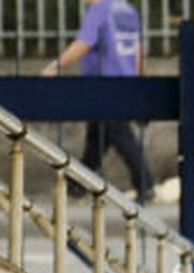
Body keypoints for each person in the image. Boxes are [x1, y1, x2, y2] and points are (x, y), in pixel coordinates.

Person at [42, 0, 155, 204]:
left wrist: (56, 66)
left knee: (120, 135)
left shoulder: (100, 10)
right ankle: (78, 184)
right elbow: (137, 49)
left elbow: (83, 43)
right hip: (125, 82)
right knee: (97, 139)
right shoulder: (127, 10)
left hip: (104, 84)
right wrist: (138, 81)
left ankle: (145, 184)